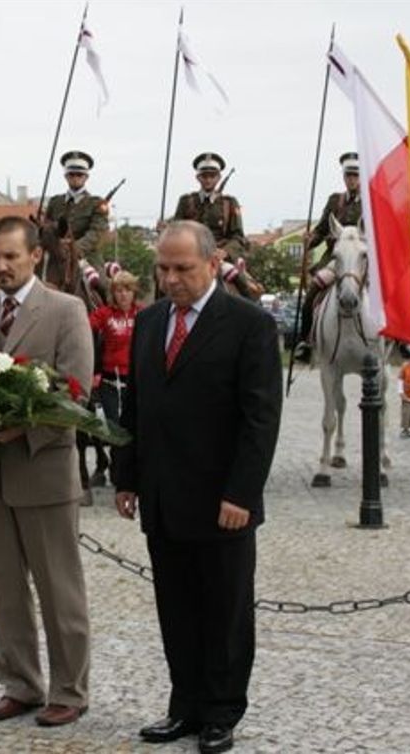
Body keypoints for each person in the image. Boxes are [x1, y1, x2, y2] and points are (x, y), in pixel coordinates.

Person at [114, 220, 282, 753]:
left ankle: (221, 711)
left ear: (212, 264)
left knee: (225, 611)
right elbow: (136, 405)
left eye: (182, 269)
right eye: (162, 268)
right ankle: (184, 706)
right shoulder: (149, 321)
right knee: (177, 608)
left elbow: (261, 419)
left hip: (222, 500)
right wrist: (125, 476)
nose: (170, 280)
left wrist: (242, 493)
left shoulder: (250, 325)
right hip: (163, 497)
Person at [0, 215, 94, 728]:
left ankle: (69, 689)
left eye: (11, 256)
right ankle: (19, 683)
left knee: (59, 590)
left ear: (35, 255)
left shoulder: (65, 310)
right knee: (6, 590)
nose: (1, 266)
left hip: (43, 471)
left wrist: (18, 430)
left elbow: (75, 392)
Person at [293, 152, 363, 364]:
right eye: (348, 175)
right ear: (344, 177)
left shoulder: (372, 201)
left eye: (356, 175)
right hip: (336, 258)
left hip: (363, 259)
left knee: (388, 290)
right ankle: (306, 341)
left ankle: (400, 340)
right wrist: (311, 239)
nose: (352, 179)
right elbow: (322, 229)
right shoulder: (335, 201)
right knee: (312, 292)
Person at [88, 268, 142, 483]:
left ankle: (134, 471)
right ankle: (118, 472)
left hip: (136, 381)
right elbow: (83, 326)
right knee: (114, 428)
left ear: (134, 292)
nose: (123, 294)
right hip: (110, 381)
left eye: (127, 290)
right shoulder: (105, 314)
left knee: (134, 427)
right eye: (118, 290)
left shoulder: (143, 314)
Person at [43, 150, 109, 267]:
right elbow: (47, 228)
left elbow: (96, 233)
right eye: (71, 174)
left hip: (87, 259)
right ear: (66, 176)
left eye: (79, 174)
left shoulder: (97, 204)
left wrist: (73, 249)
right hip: (57, 258)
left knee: (98, 279)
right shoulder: (55, 202)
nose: (75, 178)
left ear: (86, 177)